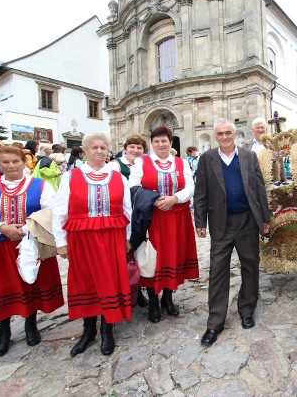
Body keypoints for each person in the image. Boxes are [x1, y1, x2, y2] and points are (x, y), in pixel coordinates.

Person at [0, 145, 64, 358]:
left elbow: (52, 212)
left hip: (32, 243)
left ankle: (31, 324)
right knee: (2, 287)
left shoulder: (40, 185)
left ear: (24, 162)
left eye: (16, 161)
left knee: (31, 282)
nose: (11, 165)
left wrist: (28, 227)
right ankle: (3, 332)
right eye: (6, 162)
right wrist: (1, 227)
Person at [52, 133, 132, 357]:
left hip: (112, 238)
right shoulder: (71, 176)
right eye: (94, 147)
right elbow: (60, 211)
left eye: (103, 147)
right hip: (82, 240)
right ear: (85, 151)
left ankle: (108, 329)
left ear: (108, 152)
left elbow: (128, 210)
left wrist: (128, 238)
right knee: (87, 282)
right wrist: (60, 242)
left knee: (110, 281)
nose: (99, 151)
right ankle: (88, 331)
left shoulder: (118, 178)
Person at [194, 119, 270, 346]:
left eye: (228, 133)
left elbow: (259, 188)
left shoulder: (248, 156)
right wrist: (200, 221)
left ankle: (247, 310)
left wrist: (265, 218)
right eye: (220, 134)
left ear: (235, 134)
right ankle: (214, 323)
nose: (225, 137)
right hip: (220, 222)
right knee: (218, 271)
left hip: (247, 220)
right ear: (215, 137)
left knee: (250, 265)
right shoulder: (207, 159)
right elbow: (200, 192)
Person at [129, 126, 199, 323]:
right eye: (157, 141)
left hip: (177, 217)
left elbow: (190, 186)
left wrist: (175, 198)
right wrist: (155, 199)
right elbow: (132, 187)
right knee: (153, 258)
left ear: (170, 142)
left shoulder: (181, 162)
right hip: (153, 219)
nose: (161, 144)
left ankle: (168, 299)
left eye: (164, 141)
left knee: (173, 256)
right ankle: (153, 301)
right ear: (152, 143)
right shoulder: (142, 162)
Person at [110, 134, 150, 307]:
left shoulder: (145, 165)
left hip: (141, 215)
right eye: (132, 147)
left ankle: (140, 289)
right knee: (126, 253)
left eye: (139, 147)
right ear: (125, 148)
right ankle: (127, 291)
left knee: (140, 252)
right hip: (123, 215)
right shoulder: (115, 165)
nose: (135, 150)